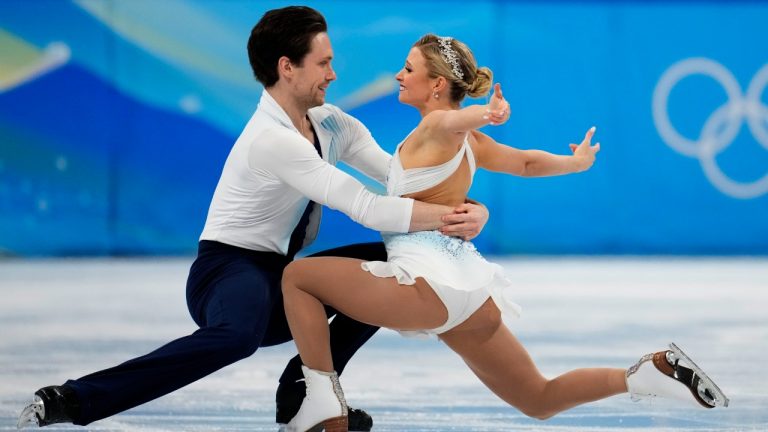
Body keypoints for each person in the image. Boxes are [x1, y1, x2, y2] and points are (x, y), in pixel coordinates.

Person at [16, 8, 492, 431]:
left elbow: (399, 181)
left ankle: (302, 393)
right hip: (225, 273)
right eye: (323, 63)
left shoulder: (333, 124)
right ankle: (76, 399)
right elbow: (366, 208)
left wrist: (470, 210)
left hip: (283, 277)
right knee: (237, 337)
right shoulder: (272, 140)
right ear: (287, 68)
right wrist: (448, 218)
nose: (333, 73)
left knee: (395, 261)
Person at [279, 34, 730, 431]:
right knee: (539, 398)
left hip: (427, 288)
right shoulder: (469, 144)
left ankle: (321, 402)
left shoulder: (438, 126)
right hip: (472, 298)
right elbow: (527, 163)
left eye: (409, 69)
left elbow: (452, 121)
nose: (399, 75)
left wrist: (484, 114)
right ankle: (643, 375)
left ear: (437, 84)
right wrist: (576, 163)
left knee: (297, 279)